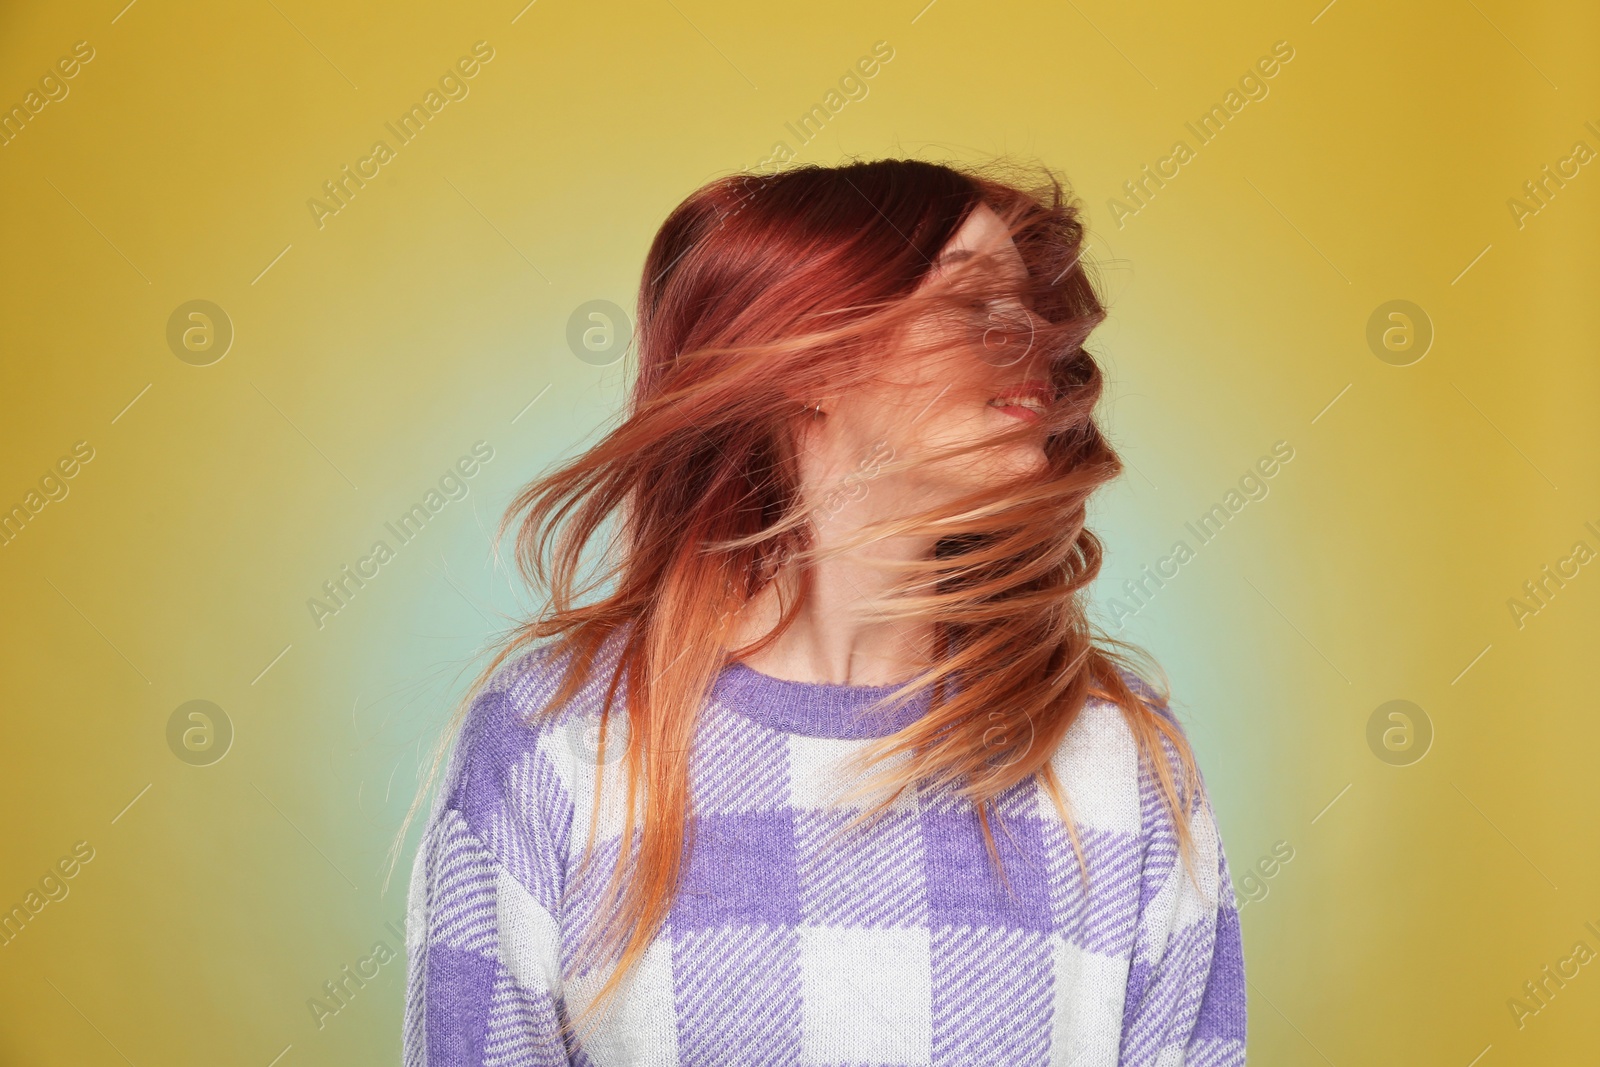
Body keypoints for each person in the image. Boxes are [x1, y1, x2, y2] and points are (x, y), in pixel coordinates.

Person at [396, 158, 1247, 1065]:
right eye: (973, 302)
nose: (1035, 339)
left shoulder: (1122, 756)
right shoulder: (554, 739)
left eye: (1035, 309)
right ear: (812, 360)